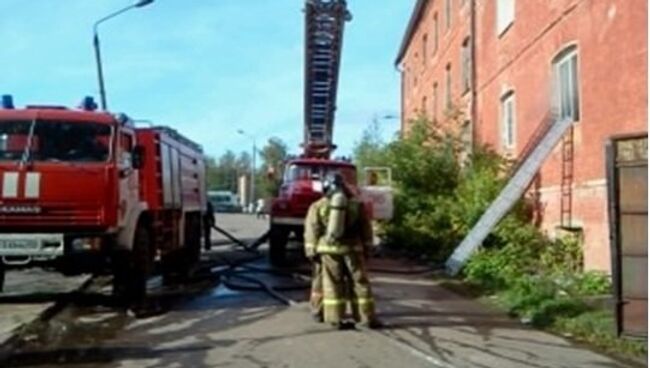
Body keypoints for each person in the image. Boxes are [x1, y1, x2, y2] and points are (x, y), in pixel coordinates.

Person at [304, 173, 382, 329]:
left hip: (328, 251)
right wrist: (368, 248)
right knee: (360, 283)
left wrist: (311, 251)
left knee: (332, 283)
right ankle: (366, 318)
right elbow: (366, 230)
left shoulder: (318, 206)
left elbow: (312, 229)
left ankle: (335, 319)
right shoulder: (356, 205)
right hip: (353, 250)